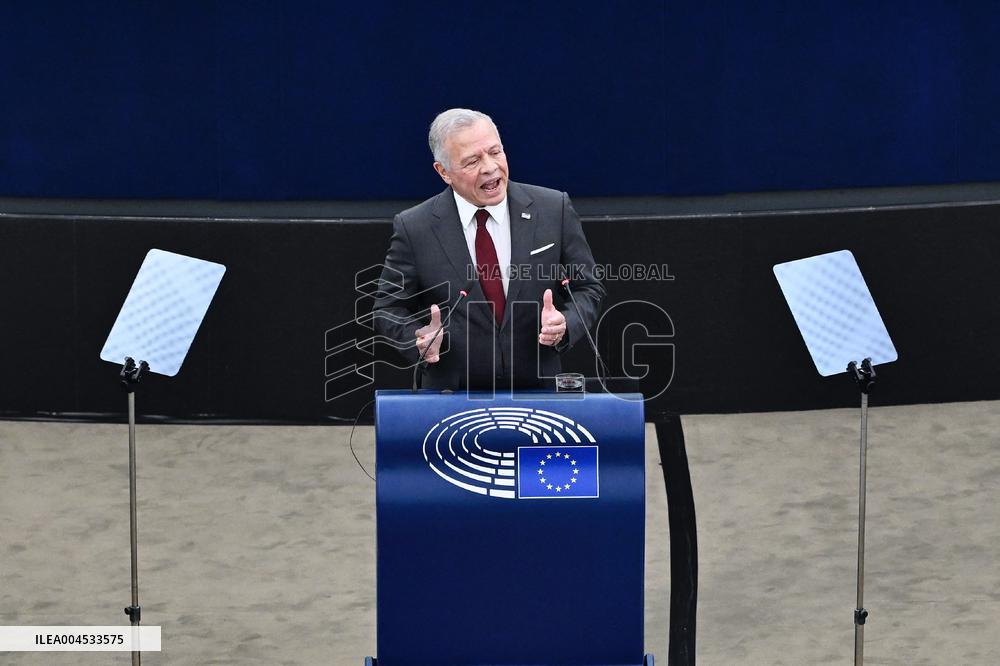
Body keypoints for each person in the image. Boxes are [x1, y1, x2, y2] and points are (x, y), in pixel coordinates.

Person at [373, 108, 605, 390]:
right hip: (452, 396)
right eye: (472, 161)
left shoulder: (552, 208)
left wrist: (565, 323)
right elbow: (388, 307)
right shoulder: (415, 227)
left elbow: (588, 287)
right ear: (444, 171)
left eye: (495, 152)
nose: (490, 167)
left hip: (537, 391)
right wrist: (418, 338)